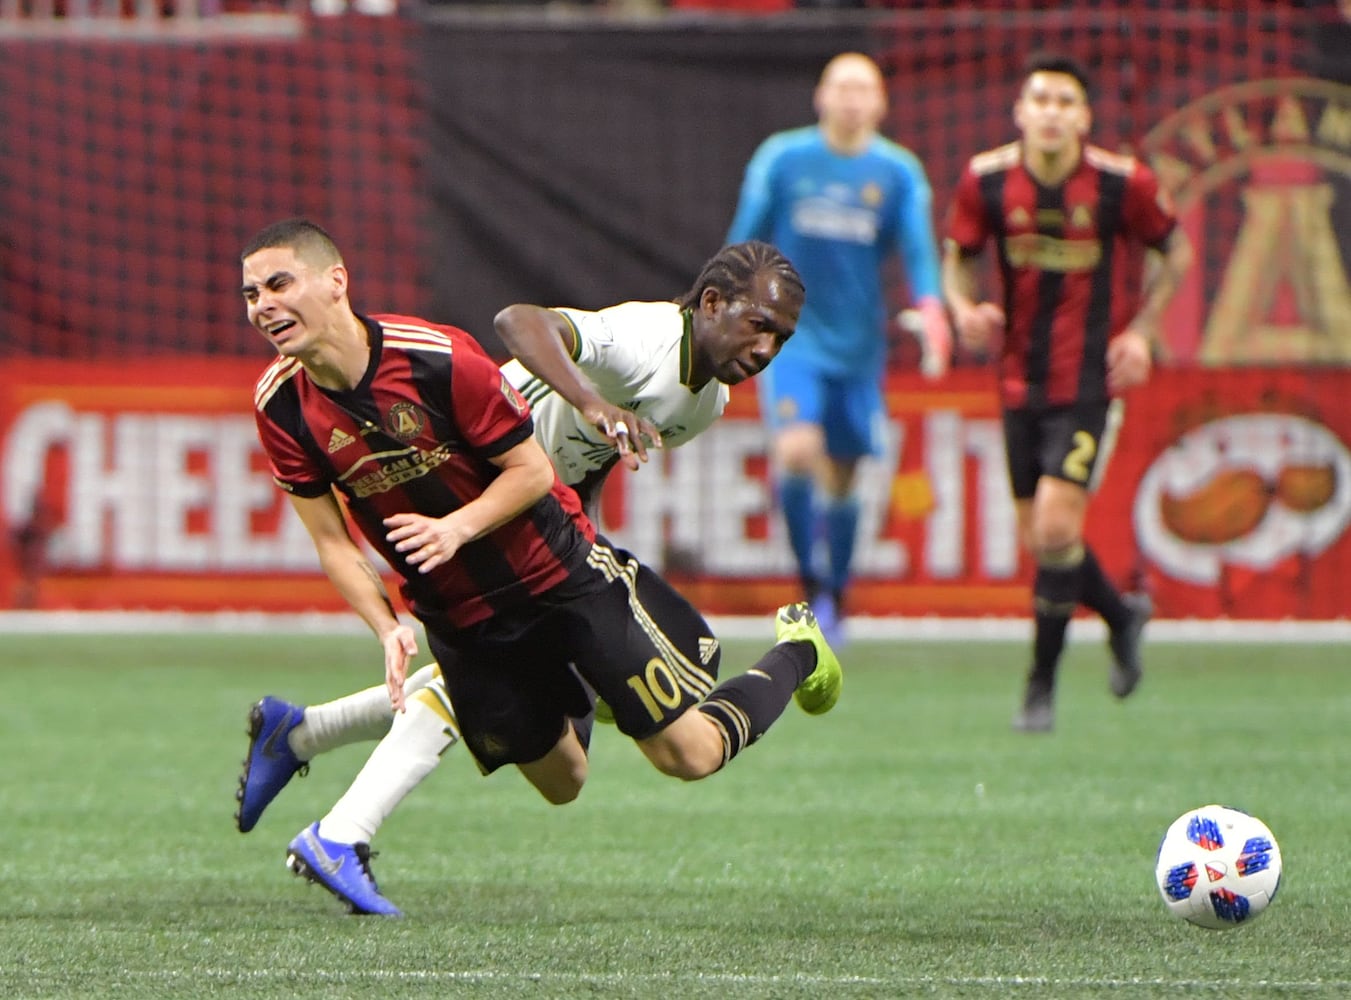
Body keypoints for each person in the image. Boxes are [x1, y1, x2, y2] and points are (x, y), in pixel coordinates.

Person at [240, 220, 840, 916]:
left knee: (655, 751)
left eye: (780, 338)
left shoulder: (702, 405)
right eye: (757, 325)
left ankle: (797, 648)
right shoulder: (642, 338)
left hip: (545, 548)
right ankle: (319, 775)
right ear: (710, 304)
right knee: (586, 763)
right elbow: (521, 323)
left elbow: (569, 466)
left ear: (334, 282)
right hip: (474, 538)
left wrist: (561, 514)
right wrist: (590, 402)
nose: (764, 348)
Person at [941, 52, 1193, 732]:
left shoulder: (1121, 183)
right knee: (1041, 540)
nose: (1051, 112)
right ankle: (1119, 614)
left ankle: (1038, 689)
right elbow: (957, 255)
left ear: (1083, 117)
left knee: (1056, 528)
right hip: (1017, 380)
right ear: (1019, 112)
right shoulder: (985, 180)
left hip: (1087, 383)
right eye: (1040, 99)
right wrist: (962, 310)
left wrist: (1141, 332)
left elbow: (1176, 251)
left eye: (1064, 102)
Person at [726, 51, 952, 646]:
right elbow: (745, 237)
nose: (852, 99)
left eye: (864, 88)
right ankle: (808, 584)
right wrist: (728, 302)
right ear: (820, 96)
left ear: (881, 102)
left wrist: (931, 307)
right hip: (792, 338)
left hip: (859, 346)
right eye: (841, 87)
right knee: (798, 453)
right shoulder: (783, 158)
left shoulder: (898, 172)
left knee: (847, 477)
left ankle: (838, 596)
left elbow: (920, 251)